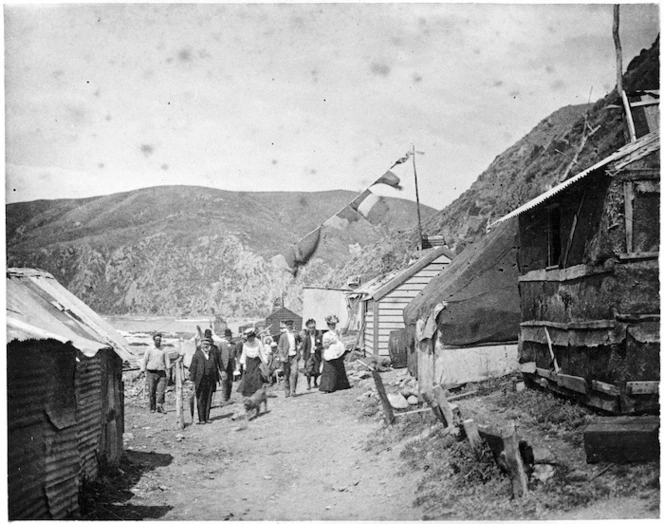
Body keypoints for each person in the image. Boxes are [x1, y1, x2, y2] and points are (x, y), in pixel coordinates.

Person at [189, 336, 220, 424]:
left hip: (210, 380)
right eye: (204, 344)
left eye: (208, 344)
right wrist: (191, 381)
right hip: (200, 380)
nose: (206, 346)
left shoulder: (212, 355)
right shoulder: (197, 355)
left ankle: (207, 418)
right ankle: (201, 419)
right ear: (201, 345)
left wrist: (218, 379)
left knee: (209, 398)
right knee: (201, 399)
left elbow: (215, 368)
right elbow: (193, 369)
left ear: (210, 345)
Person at [319, 315, 351, 393]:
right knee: (329, 370)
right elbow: (325, 346)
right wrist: (331, 342)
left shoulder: (337, 333)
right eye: (331, 325)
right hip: (330, 353)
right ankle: (328, 387)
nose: (333, 326)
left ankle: (341, 385)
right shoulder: (326, 335)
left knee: (339, 368)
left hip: (338, 352)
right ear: (328, 325)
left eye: (334, 324)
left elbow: (342, 339)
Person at [141, 332, 172, 413]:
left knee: (161, 391)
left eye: (159, 340)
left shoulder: (164, 349)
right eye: (157, 340)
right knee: (152, 391)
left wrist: (168, 371)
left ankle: (160, 406)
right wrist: (142, 370)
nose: (158, 341)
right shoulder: (149, 349)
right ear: (154, 340)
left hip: (161, 373)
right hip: (151, 373)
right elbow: (144, 360)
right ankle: (152, 407)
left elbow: (167, 361)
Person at [237, 329, 268, 397]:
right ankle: (249, 392)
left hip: (256, 361)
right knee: (248, 377)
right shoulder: (245, 344)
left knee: (256, 376)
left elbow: (262, 352)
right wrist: (244, 365)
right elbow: (244, 354)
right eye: (248, 338)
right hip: (248, 362)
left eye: (250, 338)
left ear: (253, 337)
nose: (249, 339)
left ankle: (257, 391)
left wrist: (265, 362)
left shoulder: (258, 343)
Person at [277, 319, 302, 397]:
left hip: (294, 356)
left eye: (291, 325)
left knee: (294, 373)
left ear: (293, 325)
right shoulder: (283, 336)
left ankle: (293, 391)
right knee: (286, 375)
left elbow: (301, 341)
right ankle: (287, 391)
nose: (290, 326)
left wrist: (299, 346)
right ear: (286, 326)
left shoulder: (295, 334)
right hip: (286, 357)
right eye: (288, 325)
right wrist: (281, 357)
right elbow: (279, 347)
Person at [301, 318, 323, 389]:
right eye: (310, 328)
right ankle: (308, 384)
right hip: (309, 355)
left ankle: (315, 381)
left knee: (316, 370)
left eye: (313, 327)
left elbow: (322, 345)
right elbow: (304, 348)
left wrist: (317, 348)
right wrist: (304, 357)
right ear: (308, 328)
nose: (312, 329)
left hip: (316, 355)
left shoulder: (319, 336)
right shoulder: (306, 338)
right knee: (308, 371)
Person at [218, 328, 238, 402]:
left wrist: (237, 364)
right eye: (228, 336)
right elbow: (218, 356)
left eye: (230, 336)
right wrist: (220, 367)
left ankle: (228, 397)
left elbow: (237, 355)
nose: (229, 337)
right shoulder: (221, 345)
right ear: (225, 336)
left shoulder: (234, 345)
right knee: (224, 380)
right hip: (224, 366)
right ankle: (224, 397)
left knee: (230, 381)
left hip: (231, 366)